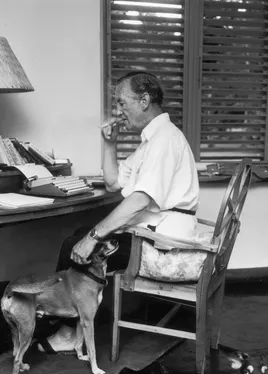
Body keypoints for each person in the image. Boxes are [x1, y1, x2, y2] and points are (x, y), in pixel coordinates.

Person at [36, 71, 200, 354]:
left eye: (123, 103)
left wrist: (93, 236)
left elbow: (138, 200)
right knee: (77, 239)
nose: (119, 111)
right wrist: (110, 144)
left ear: (144, 101)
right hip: (153, 232)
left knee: (76, 244)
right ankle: (70, 326)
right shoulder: (152, 140)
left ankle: (66, 332)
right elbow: (114, 182)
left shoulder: (164, 140)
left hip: (163, 245)